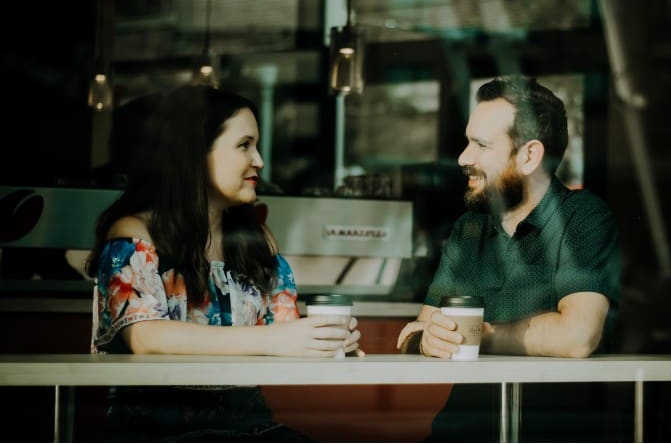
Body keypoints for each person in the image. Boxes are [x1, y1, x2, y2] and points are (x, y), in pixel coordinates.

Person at [87, 85, 362, 442]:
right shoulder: (134, 233)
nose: (259, 161)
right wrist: (278, 339)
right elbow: (146, 336)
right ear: (195, 153)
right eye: (244, 145)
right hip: (158, 431)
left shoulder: (256, 240)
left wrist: (326, 342)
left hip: (249, 427)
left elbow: (283, 332)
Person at [396, 75, 622, 442]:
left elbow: (577, 336)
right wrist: (424, 341)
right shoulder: (469, 228)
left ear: (529, 155)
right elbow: (420, 331)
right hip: (460, 432)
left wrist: (478, 337)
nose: (463, 158)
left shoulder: (582, 218)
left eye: (481, 145)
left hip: (552, 433)